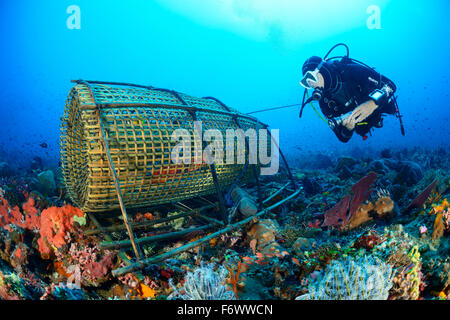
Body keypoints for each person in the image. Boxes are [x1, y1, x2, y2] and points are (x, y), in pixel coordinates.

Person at [299, 44, 403, 143]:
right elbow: (343, 138)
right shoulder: (324, 102)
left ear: (323, 70)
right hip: (364, 125)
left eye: (311, 77)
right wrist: (348, 128)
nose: (311, 84)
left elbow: (390, 85)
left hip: (380, 106)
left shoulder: (349, 71)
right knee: (362, 130)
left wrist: (372, 104)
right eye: (307, 82)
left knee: (389, 107)